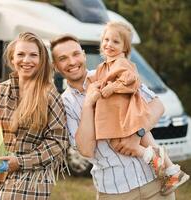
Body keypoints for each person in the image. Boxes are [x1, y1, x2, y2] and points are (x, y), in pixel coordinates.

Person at [50, 33, 176, 199]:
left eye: (75, 54)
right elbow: (86, 150)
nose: (72, 62)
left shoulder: (112, 72)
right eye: (63, 58)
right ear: (55, 66)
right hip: (115, 191)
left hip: (155, 183)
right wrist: (88, 104)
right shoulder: (64, 104)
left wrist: (136, 135)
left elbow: (157, 105)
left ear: (84, 55)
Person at [90, 21, 189, 194]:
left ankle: (169, 171)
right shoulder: (104, 66)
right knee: (139, 143)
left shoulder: (121, 62)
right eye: (106, 39)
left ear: (125, 48)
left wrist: (111, 87)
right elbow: (97, 82)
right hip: (121, 115)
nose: (109, 44)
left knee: (137, 144)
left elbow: (131, 79)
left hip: (130, 113)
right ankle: (169, 170)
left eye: (116, 41)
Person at [0, 32, 69, 199]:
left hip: (30, 181)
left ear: (41, 60)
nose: (26, 60)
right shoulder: (0, 90)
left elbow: (58, 141)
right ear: (12, 58)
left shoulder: (49, 95)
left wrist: (20, 162)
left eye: (33, 55)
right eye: (21, 54)